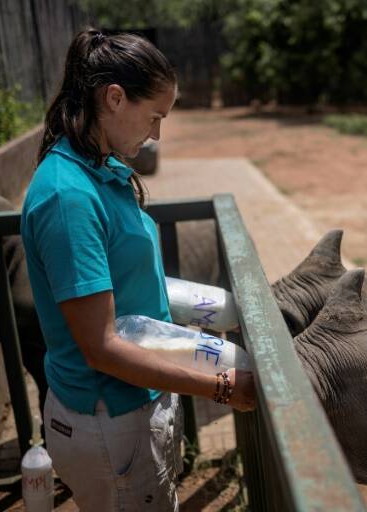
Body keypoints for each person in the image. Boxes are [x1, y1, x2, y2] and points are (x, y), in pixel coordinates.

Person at [20, 28, 255, 511]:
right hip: (110, 420)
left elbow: (129, 286)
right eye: (154, 116)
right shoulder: (69, 197)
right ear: (114, 97)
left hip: (136, 406)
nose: (156, 134)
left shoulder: (101, 168)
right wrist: (225, 387)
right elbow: (102, 348)